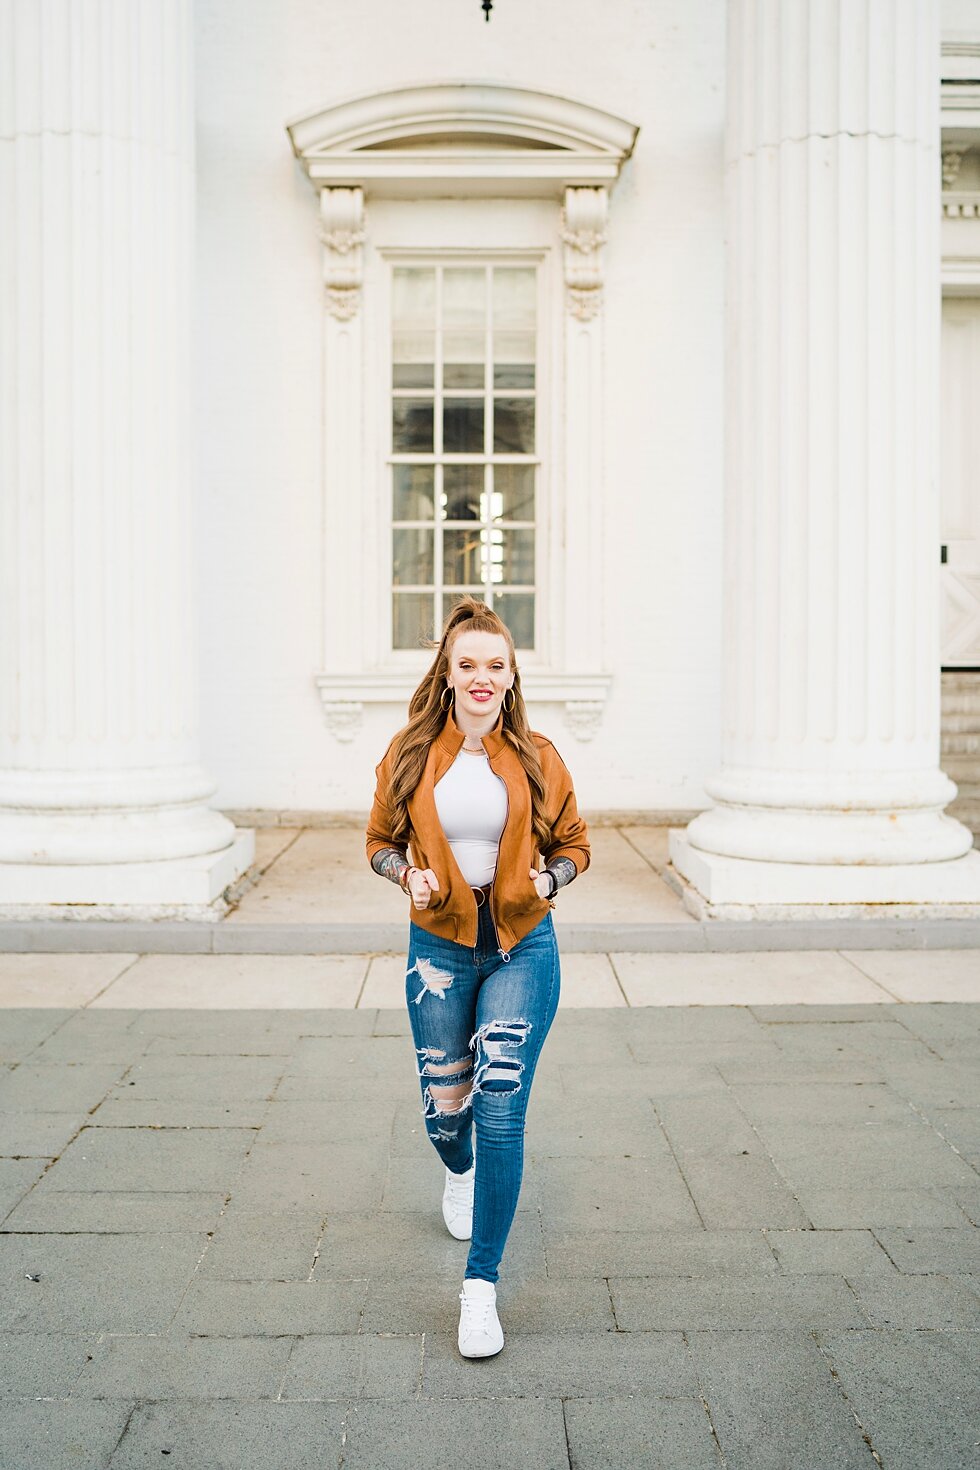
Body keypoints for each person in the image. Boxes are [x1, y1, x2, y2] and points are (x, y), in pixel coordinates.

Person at [365, 597, 590, 1358]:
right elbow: (377, 841)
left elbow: (577, 844)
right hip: (439, 948)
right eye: (469, 665)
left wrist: (551, 879)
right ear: (449, 673)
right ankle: (457, 1170)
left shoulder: (538, 756)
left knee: (500, 1102)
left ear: (512, 673)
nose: (483, 678)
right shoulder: (407, 754)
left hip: (523, 945)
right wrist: (407, 875)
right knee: (445, 1110)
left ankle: (480, 1286)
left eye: (496, 665)